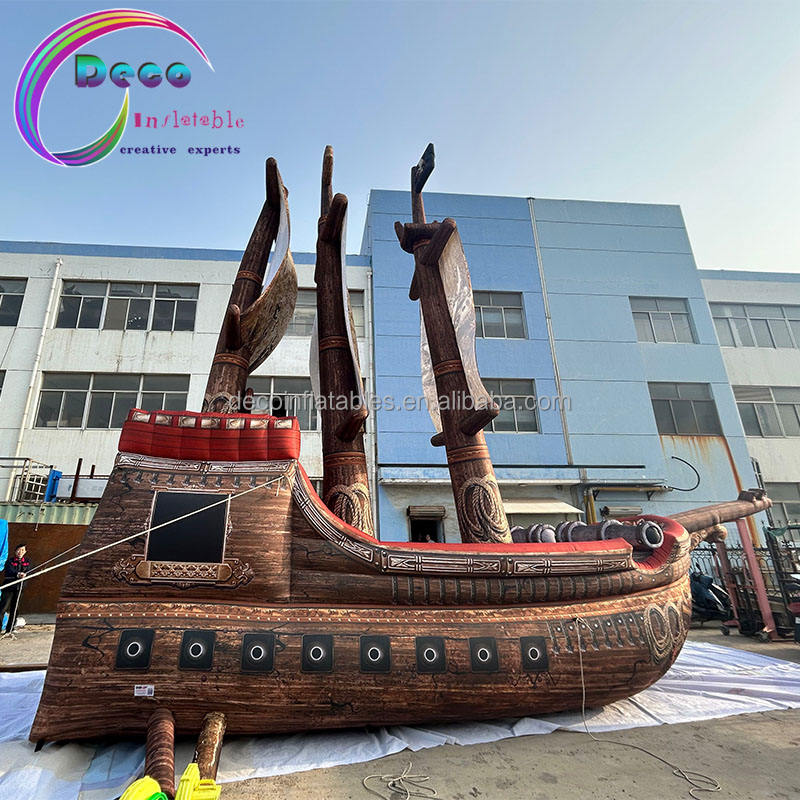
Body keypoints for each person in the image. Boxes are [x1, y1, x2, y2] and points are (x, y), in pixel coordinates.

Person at [0, 544, 30, 635]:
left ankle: (10, 629)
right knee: (3, 608)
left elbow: (28, 570)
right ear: (15, 551)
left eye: (22, 550)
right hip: (9, 588)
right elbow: (9, 571)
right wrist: (17, 574)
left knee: (15, 609)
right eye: (18, 550)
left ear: (25, 552)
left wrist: (25, 574)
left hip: (19, 588)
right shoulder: (10, 561)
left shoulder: (27, 561)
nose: (20, 552)